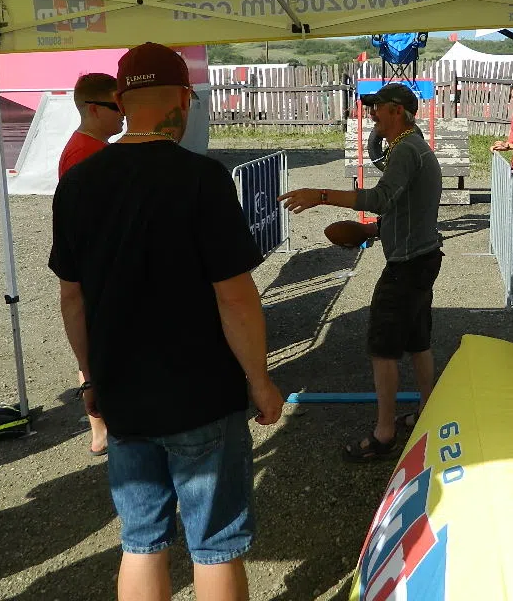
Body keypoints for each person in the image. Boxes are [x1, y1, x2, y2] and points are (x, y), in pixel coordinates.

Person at [49, 42, 284, 601]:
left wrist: (89, 378)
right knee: (215, 544)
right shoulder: (202, 178)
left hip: (122, 394)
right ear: (182, 98)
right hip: (201, 393)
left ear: (121, 100)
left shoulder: (78, 182)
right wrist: (260, 379)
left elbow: (72, 299)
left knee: (140, 540)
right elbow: (235, 298)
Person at [279, 82, 443, 462]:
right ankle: (428, 410)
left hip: (408, 264)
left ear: (397, 111)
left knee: (383, 348)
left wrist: (321, 195)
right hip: (422, 256)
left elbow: (380, 198)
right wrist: (374, 231)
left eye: (377, 107)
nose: (371, 114)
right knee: (418, 340)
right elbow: (406, 207)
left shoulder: (406, 149)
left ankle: (384, 435)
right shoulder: (412, 146)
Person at [57, 72, 124, 457]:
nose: (124, 115)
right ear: (94, 109)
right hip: (93, 271)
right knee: (95, 342)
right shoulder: (86, 154)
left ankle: (102, 426)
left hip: (93, 269)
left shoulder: (92, 148)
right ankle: (101, 427)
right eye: (118, 107)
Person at [58, 72, 124, 179]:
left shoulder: (87, 148)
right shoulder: (84, 153)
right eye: (117, 106)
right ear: (94, 109)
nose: (123, 112)